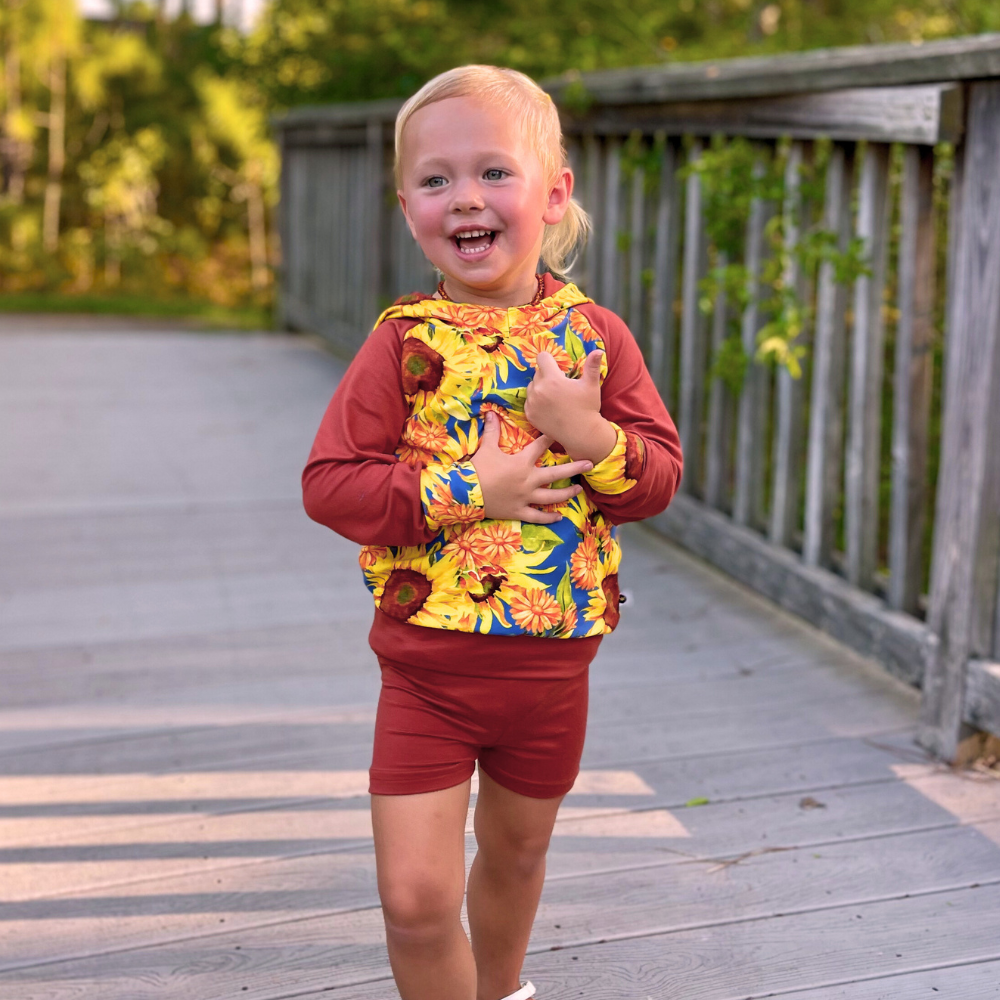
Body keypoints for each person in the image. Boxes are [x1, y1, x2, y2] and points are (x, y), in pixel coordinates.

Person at [302, 64, 682, 1000]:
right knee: (417, 899)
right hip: (427, 667)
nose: (464, 198)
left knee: (514, 867)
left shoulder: (595, 339)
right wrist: (473, 487)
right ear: (407, 207)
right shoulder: (405, 341)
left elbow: (658, 480)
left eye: (492, 173)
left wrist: (591, 433)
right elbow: (330, 484)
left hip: (554, 669)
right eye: (436, 181)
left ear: (553, 194)